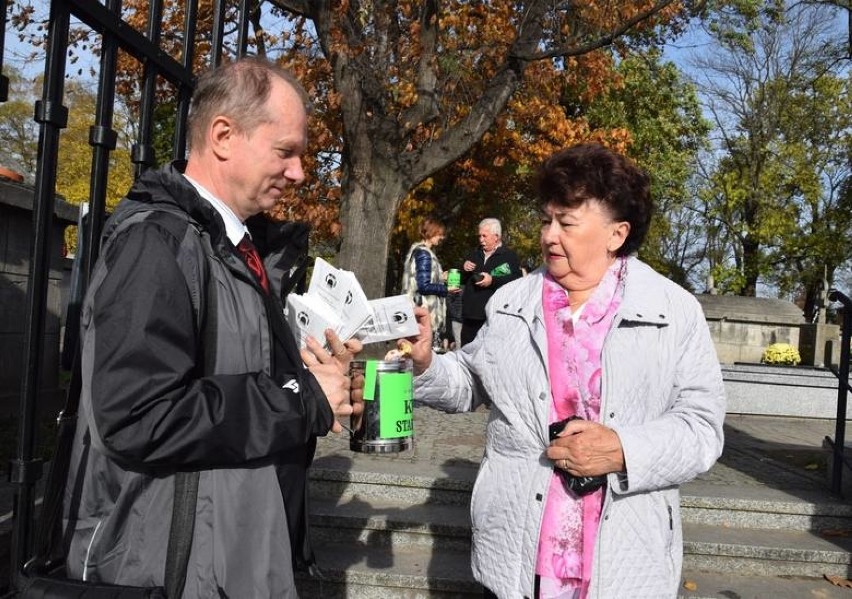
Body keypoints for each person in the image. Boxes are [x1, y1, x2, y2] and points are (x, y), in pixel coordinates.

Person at [62, 57, 361, 598]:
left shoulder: (236, 247)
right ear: (223, 135)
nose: (299, 172)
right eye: (286, 151)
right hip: (171, 570)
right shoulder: (157, 243)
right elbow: (136, 416)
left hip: (234, 560)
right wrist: (298, 399)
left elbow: (235, 378)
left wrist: (314, 379)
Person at [403, 143, 726, 598]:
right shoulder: (512, 302)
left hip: (623, 558)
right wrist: (426, 363)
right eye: (545, 219)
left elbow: (702, 428)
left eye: (567, 223)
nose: (549, 236)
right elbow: (471, 381)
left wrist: (623, 450)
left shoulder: (672, 311)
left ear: (617, 233)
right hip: (519, 550)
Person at [459, 217, 521, 346]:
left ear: (496, 237)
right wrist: (463, 268)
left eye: (484, 236)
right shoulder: (473, 254)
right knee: (466, 355)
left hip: (493, 318)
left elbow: (516, 281)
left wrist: (492, 280)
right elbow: (462, 279)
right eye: (479, 236)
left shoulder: (509, 256)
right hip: (470, 316)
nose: (481, 239)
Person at [401, 217, 451, 350]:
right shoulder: (424, 254)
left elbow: (418, 280)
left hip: (416, 309)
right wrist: (446, 289)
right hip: (425, 311)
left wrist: (440, 277)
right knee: (423, 354)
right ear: (431, 232)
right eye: (439, 233)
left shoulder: (418, 251)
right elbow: (424, 286)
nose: (441, 237)